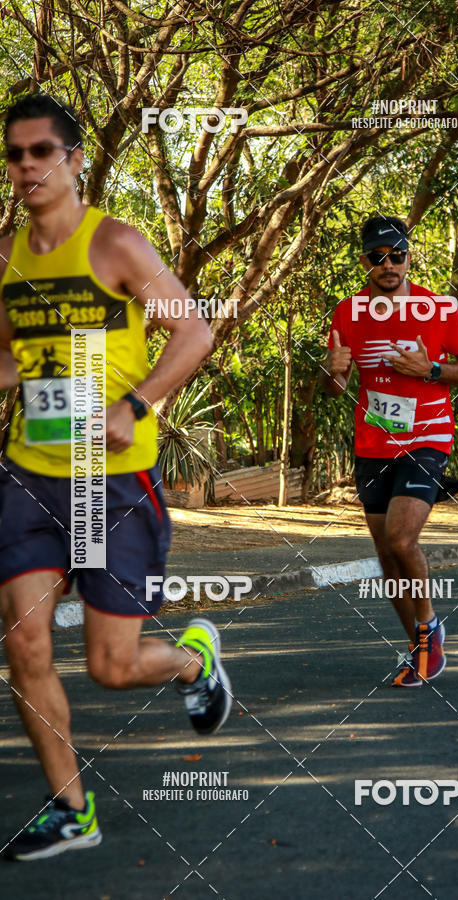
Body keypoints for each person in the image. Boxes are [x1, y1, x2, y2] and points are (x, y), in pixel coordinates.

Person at [0, 93, 231, 860]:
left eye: (42, 152)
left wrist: (135, 403)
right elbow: (11, 356)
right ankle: (71, 808)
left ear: (73, 161)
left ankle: (193, 661)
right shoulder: (9, 258)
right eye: (15, 154)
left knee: (111, 666)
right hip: (31, 474)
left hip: (113, 481)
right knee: (26, 641)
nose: (27, 165)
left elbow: (194, 329)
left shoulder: (117, 245)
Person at [320, 215, 458, 687]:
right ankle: (418, 645)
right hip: (373, 443)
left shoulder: (437, 309)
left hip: (427, 437)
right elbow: (335, 387)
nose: (388, 264)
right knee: (385, 555)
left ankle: (430, 626)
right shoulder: (348, 313)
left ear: (409, 255)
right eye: (378, 257)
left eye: (397, 254)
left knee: (400, 539)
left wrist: (431, 370)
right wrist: (332, 373)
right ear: (365, 262)